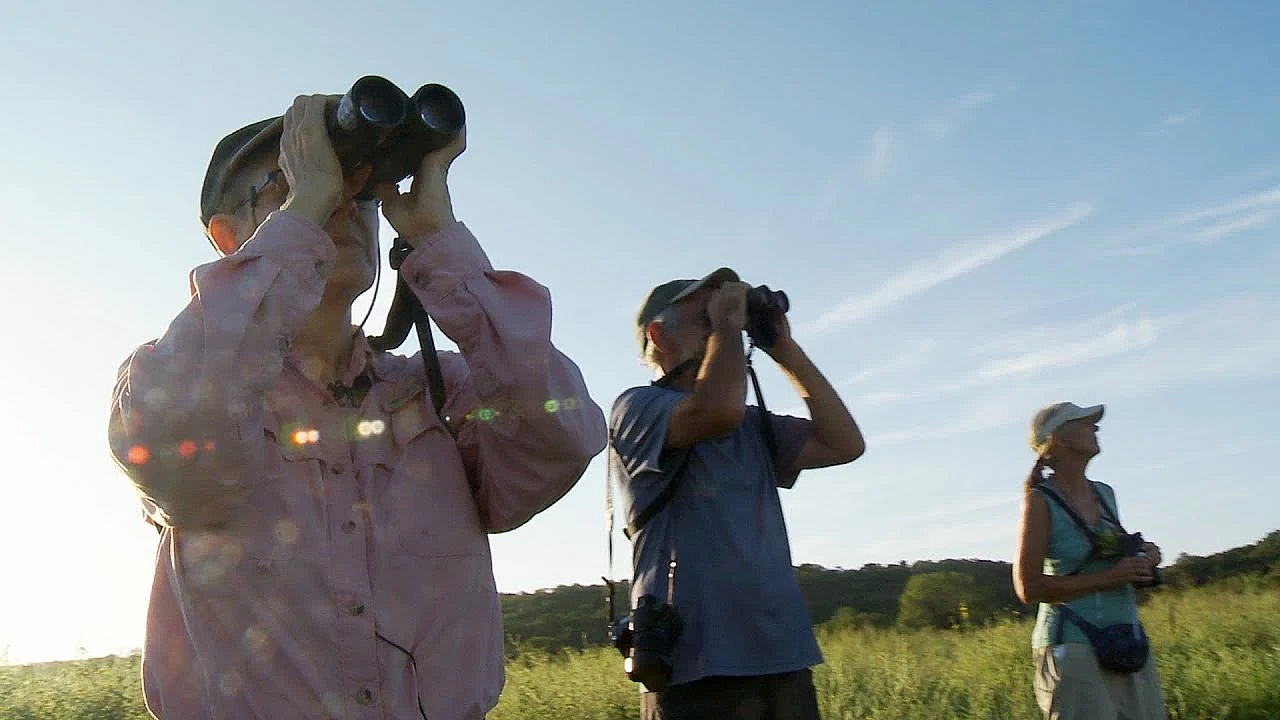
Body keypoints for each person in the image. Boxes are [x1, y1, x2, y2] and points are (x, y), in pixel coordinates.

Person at [106, 93, 607, 720]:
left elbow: (561, 438)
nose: (341, 202)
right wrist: (306, 213)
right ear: (226, 236)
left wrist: (440, 242)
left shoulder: (444, 392)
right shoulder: (169, 380)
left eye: (358, 189)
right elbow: (173, 428)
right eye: (291, 184)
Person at [608, 268, 866, 720]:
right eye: (704, 319)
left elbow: (845, 443)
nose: (720, 326)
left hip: (781, 654)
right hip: (695, 663)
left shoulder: (752, 423)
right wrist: (728, 327)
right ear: (659, 336)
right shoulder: (636, 408)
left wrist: (783, 350)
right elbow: (716, 410)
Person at [1013, 402, 1169, 720]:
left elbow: (1107, 557)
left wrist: (1144, 558)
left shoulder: (1105, 493)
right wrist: (1112, 576)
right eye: (1085, 423)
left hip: (1128, 640)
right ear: (1060, 439)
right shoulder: (1040, 500)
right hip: (1073, 645)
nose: (1095, 428)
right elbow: (1028, 588)